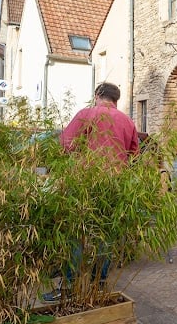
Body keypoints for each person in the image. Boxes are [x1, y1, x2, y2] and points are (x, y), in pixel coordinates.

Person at [43, 82, 140, 302]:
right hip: (115, 184)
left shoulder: (87, 114)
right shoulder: (127, 121)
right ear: (116, 100)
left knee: (76, 233)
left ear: (97, 95)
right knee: (105, 234)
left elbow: (65, 144)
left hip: (85, 183)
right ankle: (100, 283)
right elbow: (134, 154)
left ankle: (69, 286)